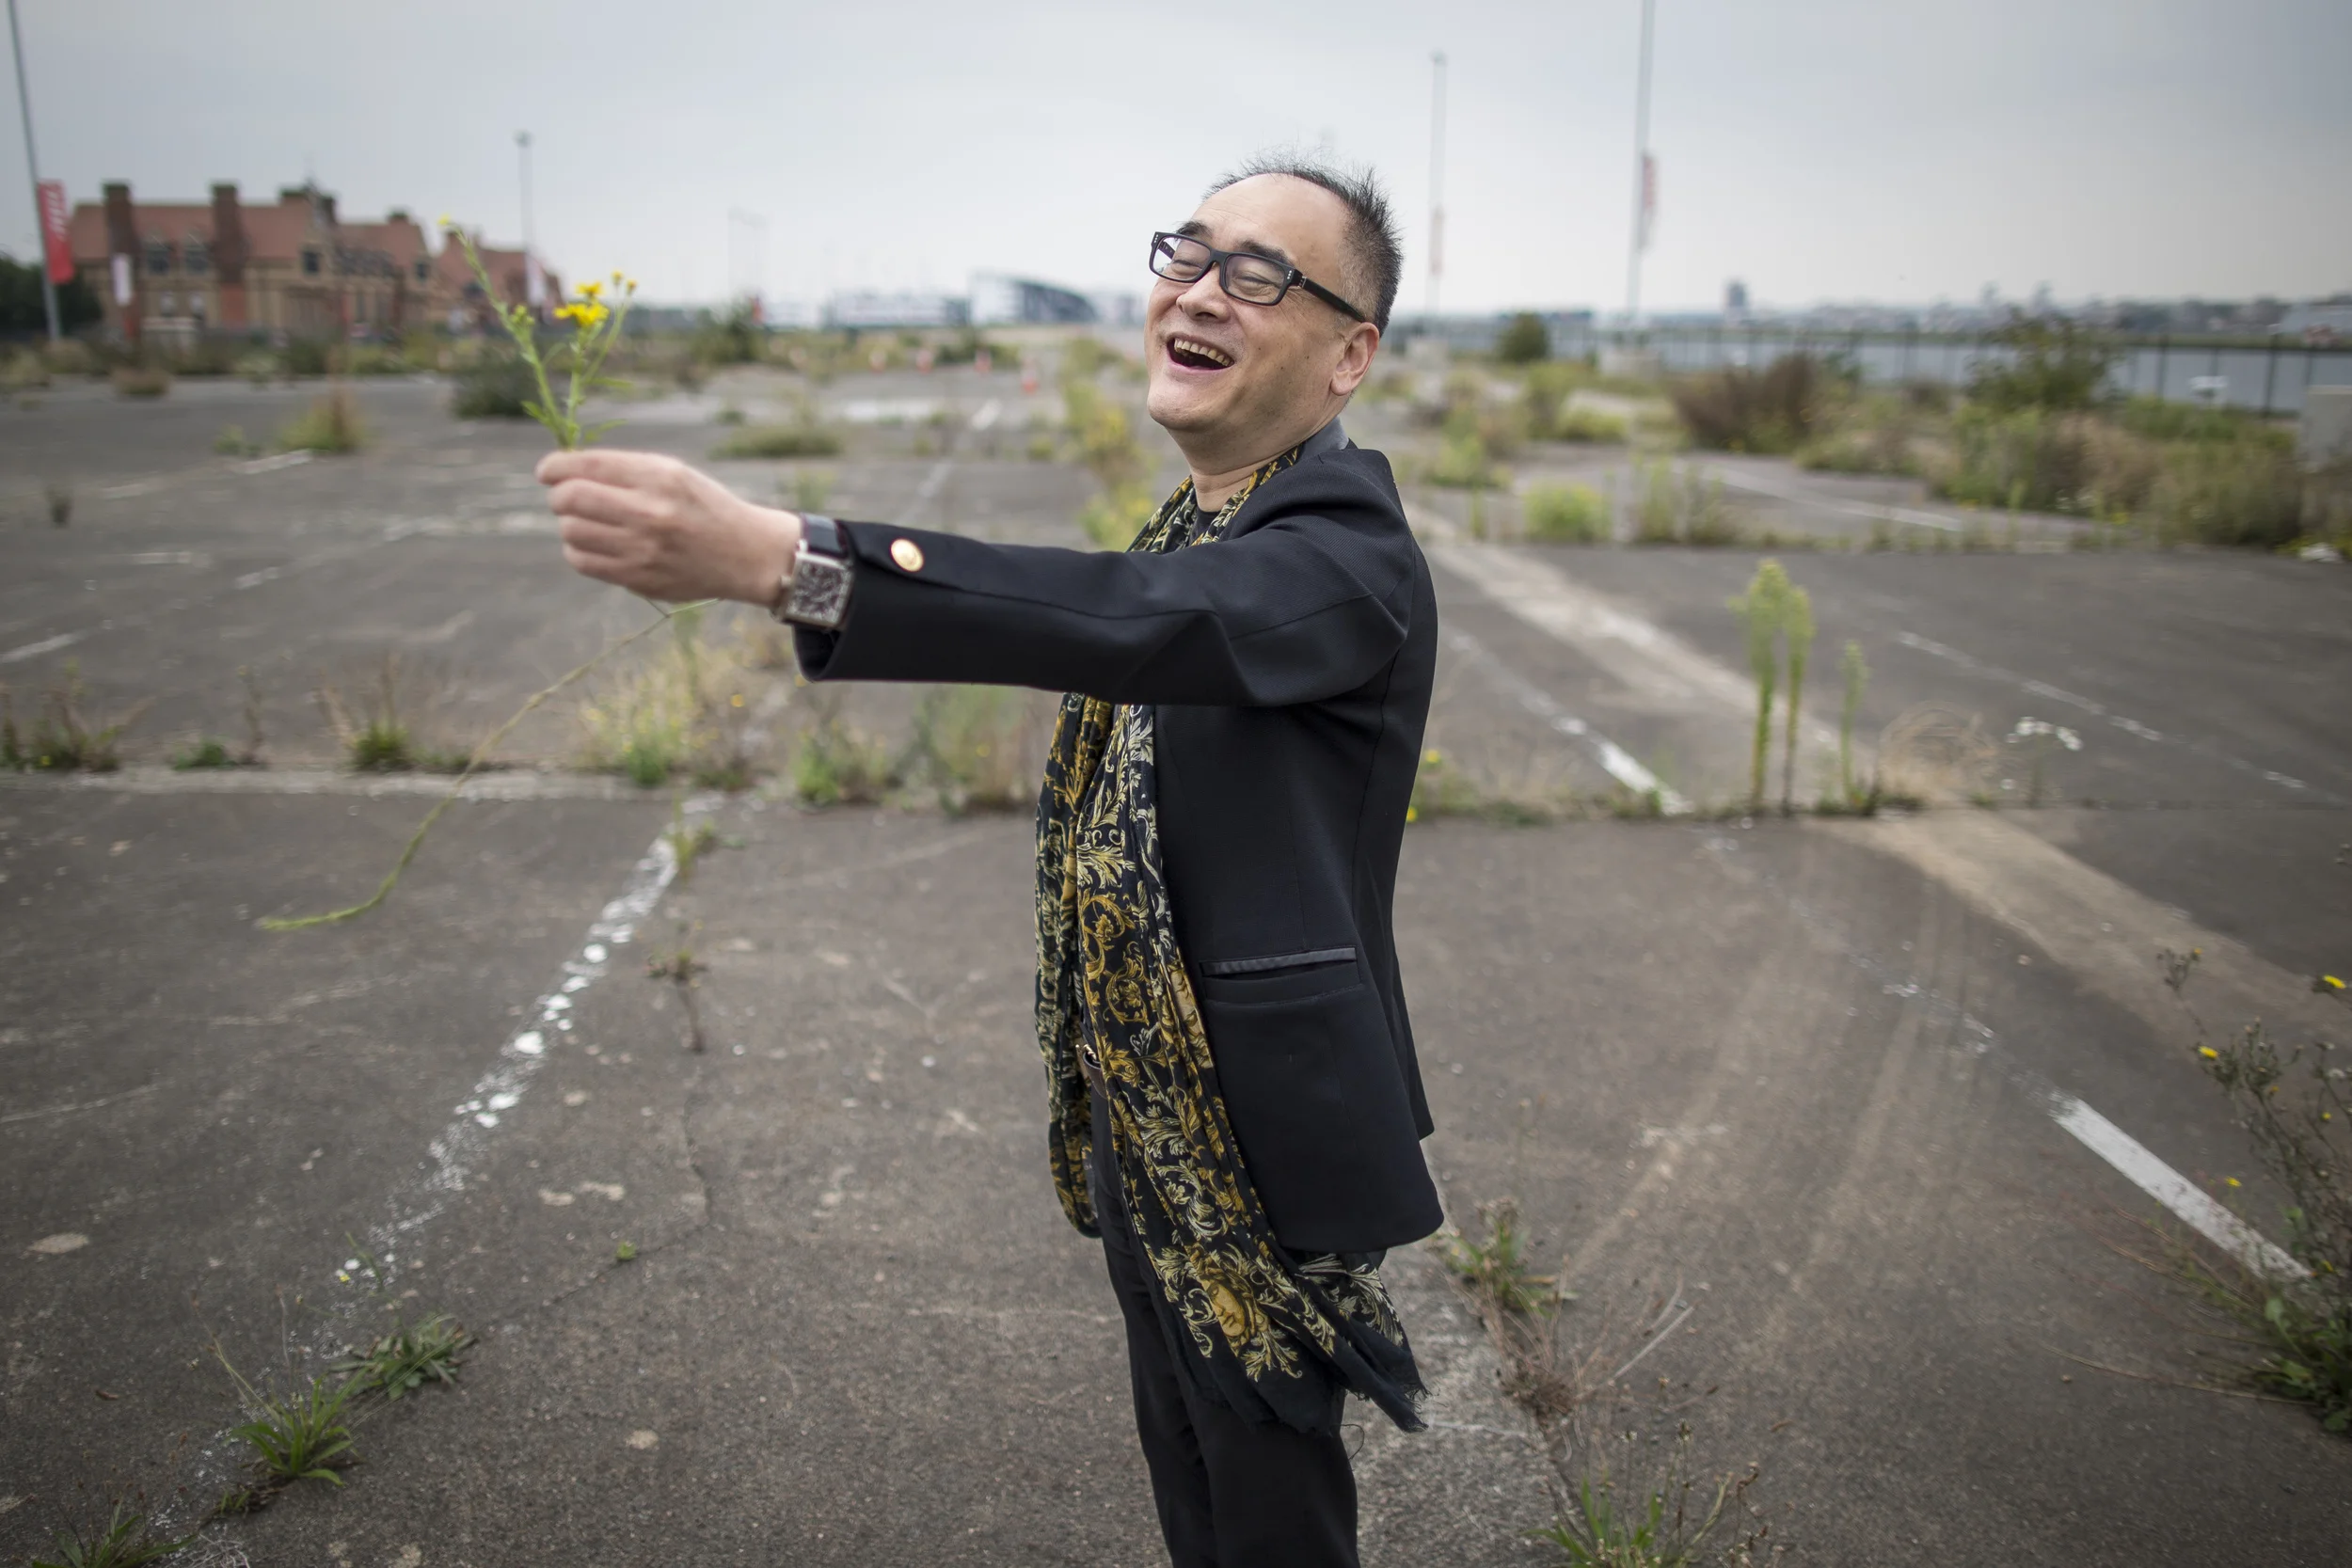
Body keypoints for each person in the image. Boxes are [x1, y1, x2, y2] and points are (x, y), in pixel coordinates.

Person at [538, 154, 1441, 1568]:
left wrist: (794, 560)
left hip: (1252, 1128)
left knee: (1266, 1511)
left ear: (1349, 356)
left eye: (1258, 274)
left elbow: (1133, 618)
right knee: (1194, 1469)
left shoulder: (1339, 554)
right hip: (1149, 1090)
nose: (1198, 292)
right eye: (1188, 255)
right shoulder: (1211, 516)